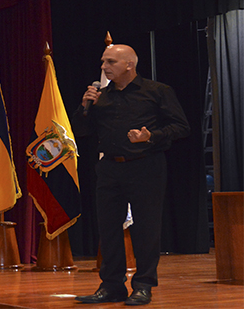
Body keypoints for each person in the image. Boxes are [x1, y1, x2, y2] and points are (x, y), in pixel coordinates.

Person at [72, 44, 190, 305]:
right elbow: (81, 131)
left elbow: (181, 126)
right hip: (109, 169)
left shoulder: (157, 91)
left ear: (129, 65)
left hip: (145, 166)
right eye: (103, 62)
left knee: (146, 229)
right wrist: (84, 106)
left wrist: (152, 136)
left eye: (111, 62)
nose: (104, 67)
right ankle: (112, 286)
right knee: (109, 229)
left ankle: (144, 285)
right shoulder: (101, 96)